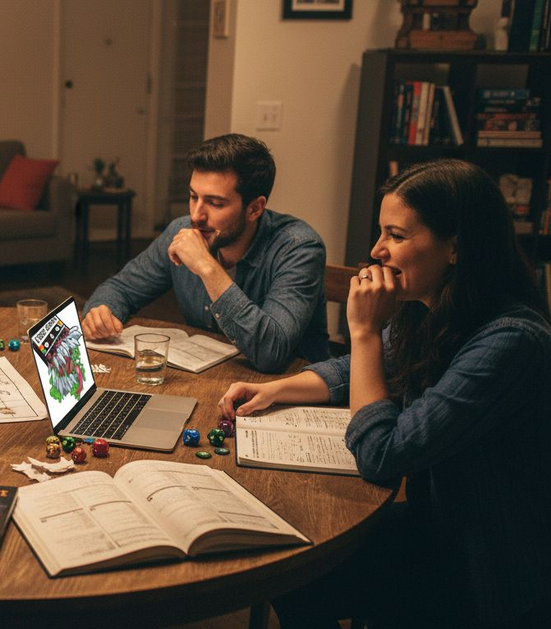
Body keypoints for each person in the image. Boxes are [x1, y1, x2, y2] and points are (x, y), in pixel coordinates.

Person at [218, 159, 551, 628]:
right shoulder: (432, 306)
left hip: (486, 562)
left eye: (396, 235)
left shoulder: (511, 340)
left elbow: (383, 453)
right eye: (381, 233)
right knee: (291, 571)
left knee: (302, 571)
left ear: (455, 248)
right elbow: (360, 371)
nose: (377, 251)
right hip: (439, 524)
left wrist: (364, 331)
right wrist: (276, 390)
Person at [81, 133, 327, 373]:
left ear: (255, 208)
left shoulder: (299, 247)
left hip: (290, 390)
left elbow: (270, 353)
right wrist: (102, 311)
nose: (196, 215)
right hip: (215, 378)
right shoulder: (181, 231)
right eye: (193, 196)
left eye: (215, 203)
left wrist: (207, 267)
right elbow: (121, 288)